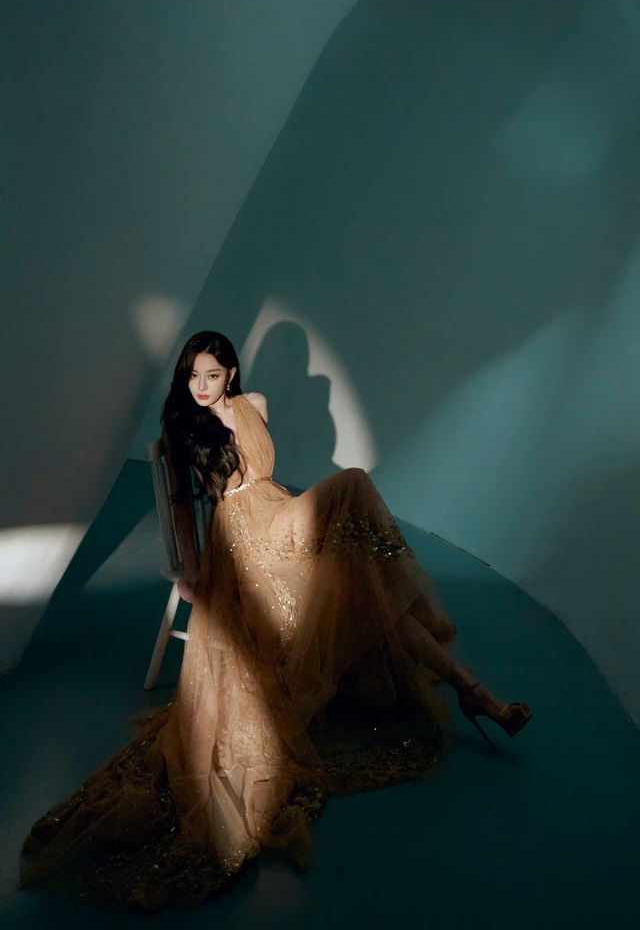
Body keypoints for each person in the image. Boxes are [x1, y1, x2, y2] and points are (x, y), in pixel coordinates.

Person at [21, 330, 531, 911]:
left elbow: (263, 475)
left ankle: (472, 690)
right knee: (356, 494)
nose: (201, 386)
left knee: (367, 578)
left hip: (281, 516)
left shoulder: (254, 405)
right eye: (193, 376)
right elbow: (185, 507)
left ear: (232, 375)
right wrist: (189, 569)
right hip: (242, 543)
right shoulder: (183, 425)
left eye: (212, 375)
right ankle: (472, 691)